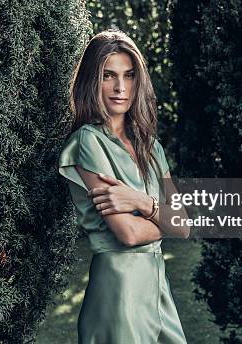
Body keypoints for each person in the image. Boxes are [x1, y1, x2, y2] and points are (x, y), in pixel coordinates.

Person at [58, 29, 190, 343]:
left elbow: (184, 226)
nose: (120, 87)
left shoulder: (150, 146)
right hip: (119, 292)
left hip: (157, 289)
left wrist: (141, 203)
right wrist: (165, 220)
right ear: (93, 81)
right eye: (109, 75)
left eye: (129, 75)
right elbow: (128, 234)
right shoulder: (87, 143)